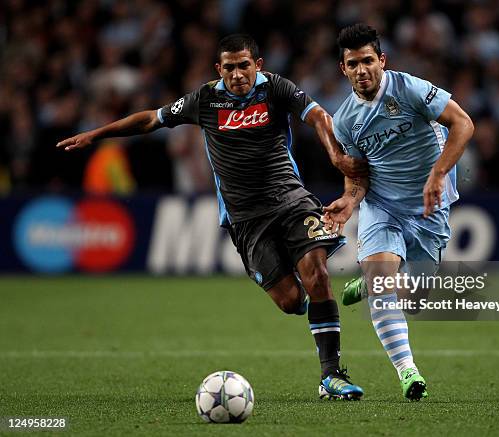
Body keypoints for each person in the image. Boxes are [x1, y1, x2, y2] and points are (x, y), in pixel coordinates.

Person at [57, 34, 368, 400]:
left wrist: (334, 154)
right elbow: (151, 120)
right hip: (245, 218)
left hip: (290, 199)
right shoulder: (205, 99)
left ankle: (331, 376)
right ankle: (310, 301)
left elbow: (318, 115)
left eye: (244, 66)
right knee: (290, 302)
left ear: (258, 65)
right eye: (230, 67)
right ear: (219, 69)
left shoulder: (277, 89)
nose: (238, 74)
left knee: (317, 274)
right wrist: (98, 134)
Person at [323, 24, 474, 401]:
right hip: (383, 207)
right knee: (381, 279)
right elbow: (358, 176)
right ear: (344, 68)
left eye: (368, 61)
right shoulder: (344, 120)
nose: (362, 70)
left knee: (414, 298)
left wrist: (438, 173)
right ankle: (409, 371)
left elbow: (463, 124)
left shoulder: (409, 89)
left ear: (382, 61)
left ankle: (373, 285)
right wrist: (350, 201)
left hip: (428, 208)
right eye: (353, 63)